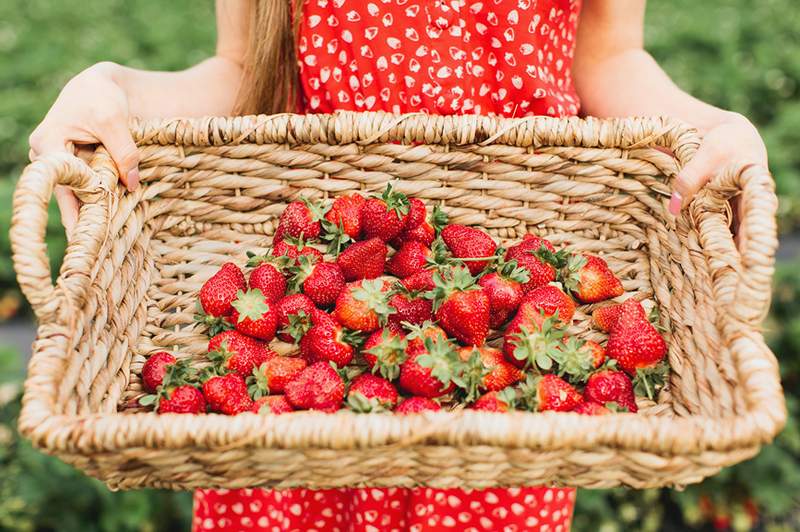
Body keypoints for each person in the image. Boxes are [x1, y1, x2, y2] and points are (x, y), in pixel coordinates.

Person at [28, 1, 769, 530]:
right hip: (300, 365)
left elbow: (608, 57)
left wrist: (714, 128)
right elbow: (242, 64)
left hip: (498, 360)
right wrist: (112, 88)